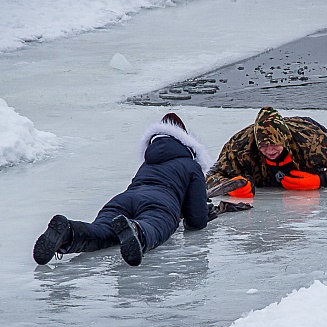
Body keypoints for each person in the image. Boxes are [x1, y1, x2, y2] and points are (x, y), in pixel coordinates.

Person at [33, 113, 214, 267]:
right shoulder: (190, 165)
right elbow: (197, 219)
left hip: (124, 199)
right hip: (160, 203)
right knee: (152, 227)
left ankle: (68, 233)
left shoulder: (148, 162)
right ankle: (135, 230)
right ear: (185, 140)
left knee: (102, 230)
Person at [206, 106, 327, 198]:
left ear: (283, 141)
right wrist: (229, 187)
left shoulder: (312, 141)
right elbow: (211, 176)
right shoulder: (239, 146)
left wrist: (321, 180)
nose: (269, 150)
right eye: (264, 146)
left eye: (274, 144)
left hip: (309, 130)